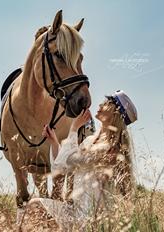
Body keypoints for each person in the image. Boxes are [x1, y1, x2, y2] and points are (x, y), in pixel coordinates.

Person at [38, 90, 138, 231]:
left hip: (90, 220)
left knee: (36, 208)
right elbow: (61, 166)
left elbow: (71, 160)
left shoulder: (111, 149)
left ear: (115, 112)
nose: (100, 104)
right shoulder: (90, 141)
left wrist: (74, 128)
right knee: (35, 206)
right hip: (75, 212)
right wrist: (54, 143)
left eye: (106, 102)